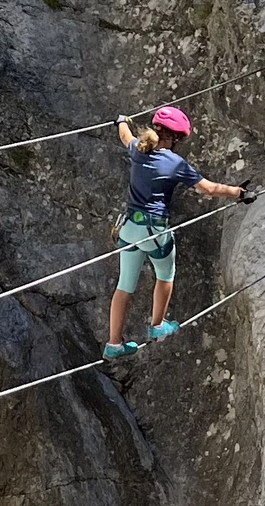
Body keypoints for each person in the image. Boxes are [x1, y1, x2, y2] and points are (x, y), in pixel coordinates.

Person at [105, 105, 246, 360]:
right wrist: (238, 192)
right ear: (175, 138)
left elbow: (125, 135)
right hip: (154, 230)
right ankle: (157, 326)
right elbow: (209, 189)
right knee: (165, 275)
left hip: (129, 229)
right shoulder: (175, 162)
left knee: (124, 285)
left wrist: (121, 120)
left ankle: (114, 343)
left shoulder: (139, 149)